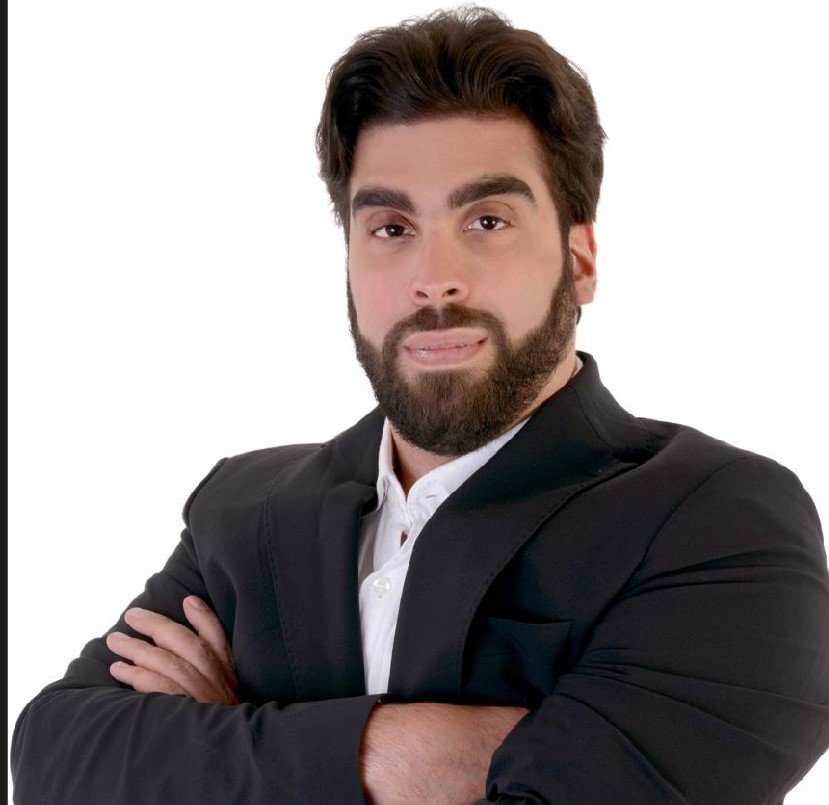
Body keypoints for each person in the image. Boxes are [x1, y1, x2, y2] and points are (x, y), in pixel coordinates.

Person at [10, 7, 829, 804]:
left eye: (486, 219)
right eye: (391, 228)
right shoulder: (244, 510)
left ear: (578, 261)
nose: (435, 278)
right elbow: (52, 758)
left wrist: (224, 739)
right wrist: (404, 758)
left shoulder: (717, 521)